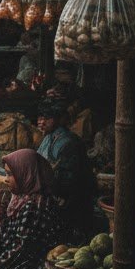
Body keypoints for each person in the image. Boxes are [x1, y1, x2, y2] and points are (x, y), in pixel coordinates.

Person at [36, 98, 96, 236]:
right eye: (40, 117)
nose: (41, 122)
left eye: (47, 118)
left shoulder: (68, 142)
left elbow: (69, 181)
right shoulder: (48, 137)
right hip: (52, 190)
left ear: (59, 119)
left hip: (71, 200)